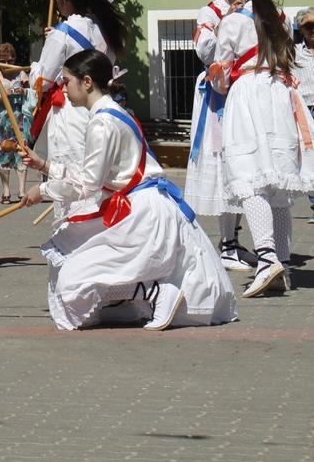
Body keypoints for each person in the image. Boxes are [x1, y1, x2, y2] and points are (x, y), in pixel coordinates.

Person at [22, 51, 236, 332]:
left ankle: (154, 293)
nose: (63, 88)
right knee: (76, 265)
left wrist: (43, 189)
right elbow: (98, 175)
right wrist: (47, 166)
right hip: (140, 205)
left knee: (72, 283)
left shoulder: (102, 123)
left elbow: (88, 185)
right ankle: (128, 300)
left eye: (67, 81)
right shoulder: (112, 112)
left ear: (87, 82)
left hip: (140, 212)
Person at [210, 0, 314, 297]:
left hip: (249, 93)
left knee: (249, 177)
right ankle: (281, 263)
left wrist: (217, 82)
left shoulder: (233, 21)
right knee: (278, 187)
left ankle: (267, 258)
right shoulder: (280, 19)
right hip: (279, 94)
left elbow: (222, 74)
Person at [27, 0, 125, 219]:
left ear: (62, 0)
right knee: (98, 173)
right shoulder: (105, 30)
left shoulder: (63, 32)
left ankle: (71, 228)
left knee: (70, 172)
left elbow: (43, 81)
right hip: (102, 105)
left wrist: (35, 68)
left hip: (71, 110)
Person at [184, 0, 253, 270]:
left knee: (243, 166)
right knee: (224, 165)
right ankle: (226, 245)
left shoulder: (255, 10)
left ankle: (235, 240)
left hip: (246, 93)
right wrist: (228, 22)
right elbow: (204, 50)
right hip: (219, 96)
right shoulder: (209, 12)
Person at [0, 43, 30, 203]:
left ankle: (22, 191)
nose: (7, 65)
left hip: (19, 119)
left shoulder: (21, 73)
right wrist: (3, 94)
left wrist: (25, 91)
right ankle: (6, 191)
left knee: (22, 153)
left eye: (10, 61)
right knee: (2, 154)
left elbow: (33, 95)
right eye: (4, 61)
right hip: (1, 122)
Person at [293, 7, 314, 223]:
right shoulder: (294, 53)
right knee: (310, 159)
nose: (313, 30)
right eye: (309, 26)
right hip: (305, 110)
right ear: (301, 29)